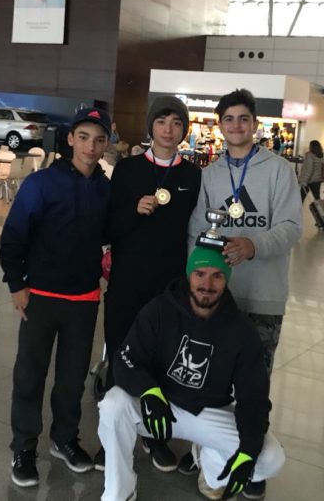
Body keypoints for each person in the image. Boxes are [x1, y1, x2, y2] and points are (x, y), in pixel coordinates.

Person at [98, 247, 285, 501]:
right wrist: (149, 390)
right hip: (160, 407)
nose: (207, 285)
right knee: (113, 405)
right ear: (189, 276)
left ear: (226, 279)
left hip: (208, 412)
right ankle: (119, 492)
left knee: (270, 458)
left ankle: (210, 465)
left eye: (217, 276)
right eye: (200, 274)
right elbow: (124, 360)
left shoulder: (241, 331)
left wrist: (248, 452)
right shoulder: (160, 310)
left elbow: (253, 399)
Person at [0, 107, 111, 488]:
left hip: (84, 298)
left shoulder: (105, 188)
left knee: (72, 378)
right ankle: (24, 448)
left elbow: (110, 232)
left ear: (106, 145)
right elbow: (14, 235)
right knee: (30, 375)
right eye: (84, 137)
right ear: (71, 139)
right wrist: (17, 285)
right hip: (42, 296)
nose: (90, 146)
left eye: (99, 140)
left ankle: (64, 439)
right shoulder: (42, 183)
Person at [100, 95, 201, 472]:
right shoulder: (127, 170)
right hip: (127, 282)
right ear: (150, 127)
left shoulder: (192, 176)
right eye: (162, 121)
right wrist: (134, 211)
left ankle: (155, 436)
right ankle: (111, 439)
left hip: (169, 288)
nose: (169, 130)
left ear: (184, 130)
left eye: (176, 123)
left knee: (163, 360)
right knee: (119, 356)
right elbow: (108, 227)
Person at [188, 88, 302, 376]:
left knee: (254, 381)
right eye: (228, 119)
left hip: (263, 297)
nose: (236, 125)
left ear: (254, 124)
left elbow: (291, 226)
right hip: (217, 296)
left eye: (243, 118)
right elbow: (197, 232)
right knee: (213, 377)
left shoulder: (280, 170)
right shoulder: (209, 175)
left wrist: (253, 245)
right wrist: (196, 279)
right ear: (220, 125)